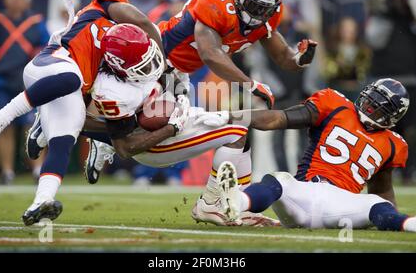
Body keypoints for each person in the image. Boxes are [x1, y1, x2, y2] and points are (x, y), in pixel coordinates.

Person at [27, 23, 279, 227]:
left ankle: (238, 205)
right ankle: (211, 204)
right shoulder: (112, 92)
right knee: (236, 129)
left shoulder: (141, 52)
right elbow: (127, 147)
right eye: (141, 62)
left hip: (170, 119)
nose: (150, 64)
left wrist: (180, 95)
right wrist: (173, 127)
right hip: (154, 143)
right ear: (119, 67)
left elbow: (170, 72)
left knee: (238, 125)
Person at [0, 0, 163, 226]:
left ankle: (42, 200)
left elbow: (93, 108)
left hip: (67, 86)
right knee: (72, 78)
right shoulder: (103, 7)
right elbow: (141, 20)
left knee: (65, 138)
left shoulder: (107, 64)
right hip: (50, 64)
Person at [207, 79, 416, 232]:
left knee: (375, 203)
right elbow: (279, 118)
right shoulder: (336, 105)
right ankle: (236, 203)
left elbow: (382, 189)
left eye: (380, 108)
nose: (371, 108)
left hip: (341, 204)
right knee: (280, 180)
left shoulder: (394, 144)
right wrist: (235, 117)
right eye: (371, 101)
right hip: (305, 192)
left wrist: (389, 212)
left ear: (393, 117)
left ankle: (410, 224)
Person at [158, 0, 318, 110]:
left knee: (227, 133)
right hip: (156, 59)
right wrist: (251, 85)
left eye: (265, 9)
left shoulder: (272, 14)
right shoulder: (215, 1)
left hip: (182, 73)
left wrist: (299, 59)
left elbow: (283, 56)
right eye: (252, 5)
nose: (258, 14)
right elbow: (210, 54)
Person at [0, 0, 49, 184]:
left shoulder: (36, 22)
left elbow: (48, 49)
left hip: (28, 83)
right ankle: (7, 171)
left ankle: (37, 171)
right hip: (1, 83)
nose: (14, 0)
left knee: (32, 126)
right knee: (3, 127)